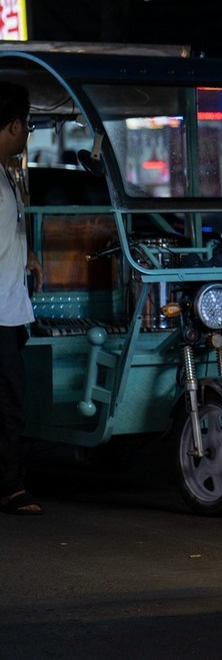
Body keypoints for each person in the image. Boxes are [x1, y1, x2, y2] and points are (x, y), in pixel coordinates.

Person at [0, 81, 44, 515]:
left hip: (9, 311)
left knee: (10, 402)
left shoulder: (5, 176)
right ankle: (10, 487)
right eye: (27, 125)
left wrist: (26, 255)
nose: (28, 133)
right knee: (11, 404)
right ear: (14, 125)